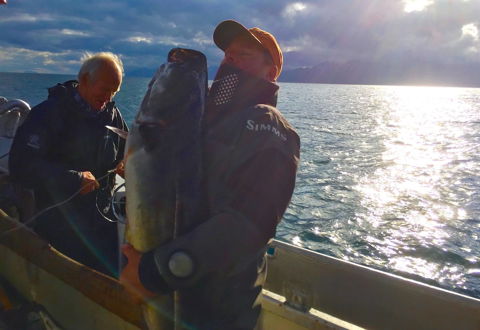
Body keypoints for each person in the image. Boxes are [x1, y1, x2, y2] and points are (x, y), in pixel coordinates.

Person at [120, 20, 300, 329]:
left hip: (220, 315)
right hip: (175, 298)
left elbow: (247, 222)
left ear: (271, 73)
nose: (230, 60)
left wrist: (156, 271)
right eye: (228, 54)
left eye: (243, 54)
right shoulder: (207, 121)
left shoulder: (268, 125)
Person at [9, 52, 128, 277]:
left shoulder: (112, 114)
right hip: (58, 225)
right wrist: (73, 180)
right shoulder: (48, 114)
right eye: (104, 89)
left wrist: (127, 164)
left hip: (101, 221)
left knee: (123, 271)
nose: (109, 97)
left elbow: (125, 153)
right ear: (83, 80)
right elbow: (21, 166)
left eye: (115, 91)